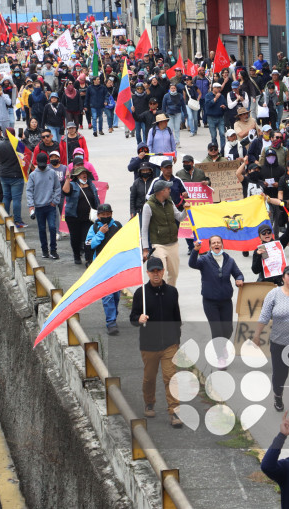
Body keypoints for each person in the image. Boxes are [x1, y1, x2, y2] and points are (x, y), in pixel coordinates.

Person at [129, 256, 184, 428]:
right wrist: (139, 318)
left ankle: (174, 411)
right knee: (149, 378)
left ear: (163, 271)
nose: (156, 274)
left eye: (158, 270)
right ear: (147, 273)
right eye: (152, 271)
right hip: (149, 345)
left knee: (170, 377)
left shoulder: (172, 292)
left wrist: (177, 339)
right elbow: (132, 318)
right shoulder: (140, 294)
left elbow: (177, 317)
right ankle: (149, 402)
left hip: (169, 344)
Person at [253, 265, 289, 421]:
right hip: (279, 342)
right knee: (280, 374)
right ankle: (278, 395)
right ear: (283, 277)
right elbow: (264, 316)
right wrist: (256, 335)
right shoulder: (273, 294)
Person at [189, 236, 244, 349]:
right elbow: (192, 264)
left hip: (226, 301)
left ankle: (221, 346)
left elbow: (238, 273)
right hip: (210, 302)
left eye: (218, 242)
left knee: (228, 329)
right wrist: (195, 250)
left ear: (222, 244)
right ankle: (220, 356)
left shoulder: (229, 260)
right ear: (210, 246)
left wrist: (239, 279)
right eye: (213, 243)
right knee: (217, 330)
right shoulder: (204, 260)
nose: (216, 245)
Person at [85, 204, 123, 335]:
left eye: (108, 214)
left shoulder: (117, 226)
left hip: (116, 266)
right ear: (98, 216)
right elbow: (89, 244)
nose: (106, 217)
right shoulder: (94, 227)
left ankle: (113, 315)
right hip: (102, 266)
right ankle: (111, 322)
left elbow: (125, 241)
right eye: (103, 215)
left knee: (116, 295)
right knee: (107, 296)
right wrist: (100, 233)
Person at [141, 179, 187, 285]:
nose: (170, 190)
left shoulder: (170, 202)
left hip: (173, 243)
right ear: (162, 191)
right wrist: (145, 249)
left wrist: (186, 210)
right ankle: (162, 298)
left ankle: (170, 295)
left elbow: (179, 217)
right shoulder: (148, 206)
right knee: (163, 274)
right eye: (168, 189)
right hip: (158, 244)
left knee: (174, 274)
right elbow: (144, 229)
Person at [26, 152, 62, 259]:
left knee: (52, 227)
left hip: (50, 206)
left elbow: (57, 188)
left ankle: (53, 250)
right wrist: (31, 205)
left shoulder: (52, 173)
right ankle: (45, 250)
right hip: (39, 207)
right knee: (41, 229)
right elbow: (29, 191)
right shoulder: (33, 175)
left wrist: (54, 201)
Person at [61, 166, 99, 265]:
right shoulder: (73, 185)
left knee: (88, 238)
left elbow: (96, 200)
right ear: (77, 176)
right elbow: (65, 191)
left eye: (85, 173)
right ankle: (76, 255)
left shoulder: (91, 185)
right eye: (82, 173)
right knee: (75, 238)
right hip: (73, 217)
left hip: (88, 218)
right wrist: (67, 179)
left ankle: (88, 258)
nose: (84, 175)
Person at [0, 126, 28, 228]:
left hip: (3, 174)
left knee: (6, 196)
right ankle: (17, 221)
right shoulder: (18, 145)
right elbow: (25, 157)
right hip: (16, 175)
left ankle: (5, 217)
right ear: (13, 134)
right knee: (16, 199)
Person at [205, 82, 228, 150]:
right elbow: (208, 105)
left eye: (219, 88)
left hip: (220, 117)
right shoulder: (208, 95)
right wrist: (215, 98)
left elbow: (225, 106)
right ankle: (215, 149)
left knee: (222, 134)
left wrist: (224, 107)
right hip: (211, 117)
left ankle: (223, 149)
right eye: (217, 88)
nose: (219, 89)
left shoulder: (222, 96)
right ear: (213, 88)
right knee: (213, 135)